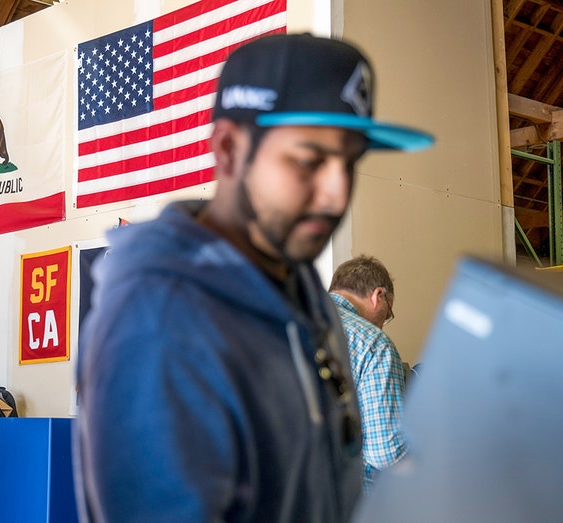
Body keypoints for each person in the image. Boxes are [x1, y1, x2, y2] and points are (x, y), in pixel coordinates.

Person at [74, 33, 433, 522]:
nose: (336, 194)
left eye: (350, 162)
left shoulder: (309, 304)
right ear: (227, 148)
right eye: (309, 159)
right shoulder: (160, 325)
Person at [329, 255, 407, 492]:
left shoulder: (288, 321)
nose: (383, 323)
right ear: (378, 296)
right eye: (388, 314)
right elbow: (386, 454)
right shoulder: (374, 344)